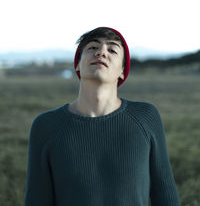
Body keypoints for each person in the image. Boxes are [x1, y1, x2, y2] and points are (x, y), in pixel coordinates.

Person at [24, 26, 181, 206]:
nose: (101, 53)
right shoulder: (46, 125)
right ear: (77, 64)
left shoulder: (145, 117)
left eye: (112, 49)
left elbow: (165, 195)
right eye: (92, 47)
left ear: (123, 70)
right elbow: (37, 200)